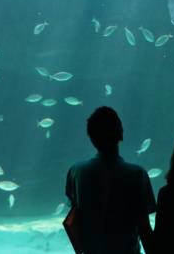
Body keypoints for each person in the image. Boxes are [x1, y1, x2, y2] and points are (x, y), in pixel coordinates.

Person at [65, 106, 156, 254]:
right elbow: (144, 229)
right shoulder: (137, 174)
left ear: (91, 137)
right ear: (121, 134)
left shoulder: (75, 172)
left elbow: (74, 220)